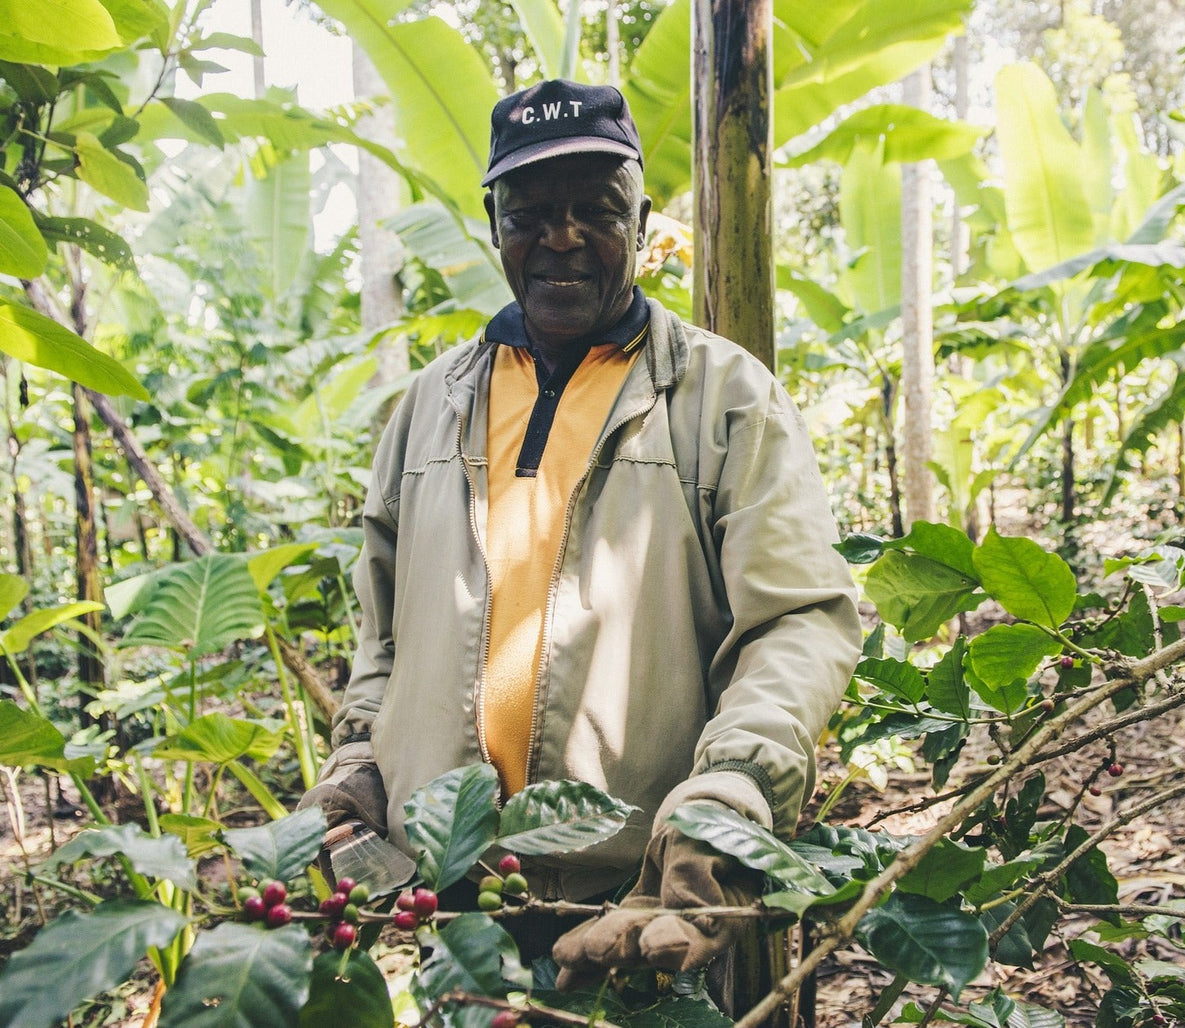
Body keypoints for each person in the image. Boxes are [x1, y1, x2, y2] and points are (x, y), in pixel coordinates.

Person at [298, 78, 861, 984]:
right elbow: (385, 631)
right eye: (531, 213)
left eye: (594, 211)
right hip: (465, 893)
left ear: (640, 222)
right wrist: (360, 756)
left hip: (651, 893)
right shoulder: (427, 407)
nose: (561, 238)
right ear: (493, 224)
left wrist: (729, 798)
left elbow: (797, 619)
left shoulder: (721, 395)